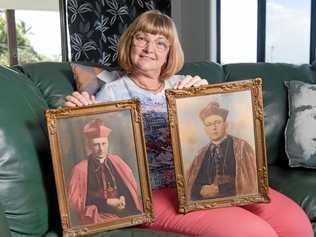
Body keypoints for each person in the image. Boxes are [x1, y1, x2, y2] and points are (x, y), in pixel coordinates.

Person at [65, 10, 313, 237]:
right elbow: (90, 147)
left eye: (160, 43)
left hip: (202, 179)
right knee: (254, 233)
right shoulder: (111, 93)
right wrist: (77, 114)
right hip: (154, 192)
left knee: (294, 222)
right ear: (130, 42)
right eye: (142, 39)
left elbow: (219, 130)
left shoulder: (184, 83)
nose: (149, 48)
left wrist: (204, 97)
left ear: (169, 53)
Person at [67, 119, 142, 225]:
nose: (101, 149)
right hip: (98, 215)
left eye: (104, 143)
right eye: (96, 144)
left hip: (123, 210)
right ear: (89, 146)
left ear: (108, 143)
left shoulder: (117, 161)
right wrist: (107, 202)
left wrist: (122, 199)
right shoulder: (79, 169)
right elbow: (75, 201)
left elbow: (128, 188)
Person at [187, 101, 257, 200]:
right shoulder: (201, 154)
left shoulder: (241, 147)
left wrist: (220, 189)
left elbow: (250, 182)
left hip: (234, 201)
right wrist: (201, 189)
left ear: (226, 124)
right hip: (205, 203)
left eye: (217, 122)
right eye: (209, 124)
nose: (213, 128)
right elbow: (191, 186)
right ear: (205, 129)